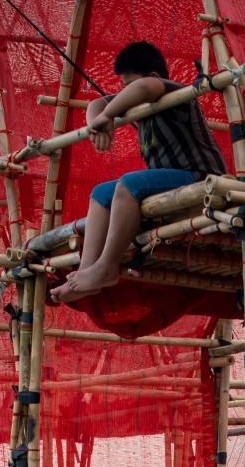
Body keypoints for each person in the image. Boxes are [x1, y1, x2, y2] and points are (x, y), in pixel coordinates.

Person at [51, 39, 226, 304]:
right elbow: (96, 105)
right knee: (100, 193)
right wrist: (97, 123)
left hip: (199, 175)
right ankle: (88, 271)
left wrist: (108, 115)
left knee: (129, 184)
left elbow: (144, 87)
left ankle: (106, 266)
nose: (125, 93)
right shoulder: (137, 104)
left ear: (154, 76)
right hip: (168, 181)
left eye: (128, 85)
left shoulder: (173, 91)